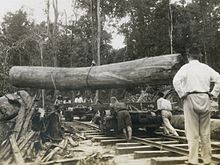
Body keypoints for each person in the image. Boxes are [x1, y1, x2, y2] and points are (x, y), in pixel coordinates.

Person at [173, 46, 220, 165]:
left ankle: (193, 160)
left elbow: (176, 81)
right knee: (205, 131)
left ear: (188, 56)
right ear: (199, 56)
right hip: (205, 97)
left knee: (192, 131)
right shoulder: (206, 68)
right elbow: (219, 78)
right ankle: (207, 159)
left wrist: (182, 93)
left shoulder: (186, 68)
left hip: (190, 97)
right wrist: (213, 93)